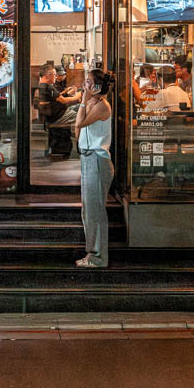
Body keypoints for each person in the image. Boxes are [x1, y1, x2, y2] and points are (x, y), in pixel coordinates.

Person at [74, 68, 114, 268]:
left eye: (88, 82)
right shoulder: (91, 103)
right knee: (88, 211)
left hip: (97, 160)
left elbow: (80, 122)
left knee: (95, 212)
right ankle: (91, 254)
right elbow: (77, 129)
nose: (85, 85)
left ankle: (98, 257)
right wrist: (85, 100)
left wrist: (83, 100)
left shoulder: (101, 106)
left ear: (98, 86)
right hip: (88, 158)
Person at [35, 63, 79, 159]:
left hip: (52, 117)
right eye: (54, 75)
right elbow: (63, 100)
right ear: (48, 76)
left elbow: (56, 98)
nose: (56, 77)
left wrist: (65, 93)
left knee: (78, 108)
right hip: (58, 117)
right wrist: (78, 96)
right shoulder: (49, 87)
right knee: (83, 111)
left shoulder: (42, 86)